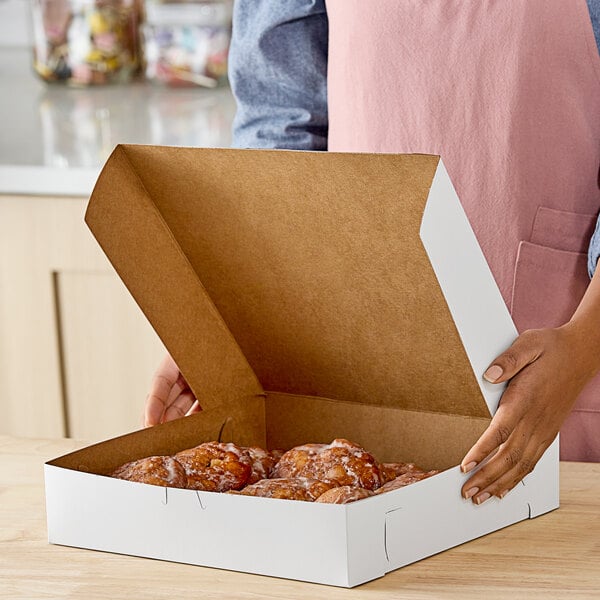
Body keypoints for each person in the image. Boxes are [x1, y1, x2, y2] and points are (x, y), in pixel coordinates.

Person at [145, 0, 600, 505]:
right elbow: (283, 127)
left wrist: (583, 345)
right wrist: (228, 325)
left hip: (564, 355)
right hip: (347, 356)